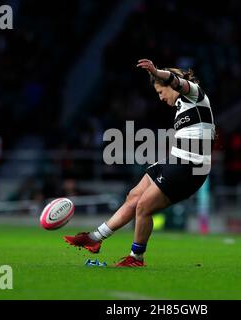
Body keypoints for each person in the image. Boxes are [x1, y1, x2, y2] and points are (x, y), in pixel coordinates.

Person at [63, 59, 216, 266]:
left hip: (190, 167)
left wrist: (155, 71)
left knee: (144, 206)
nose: (160, 98)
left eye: (161, 92)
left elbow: (177, 82)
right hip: (175, 160)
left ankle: (136, 258)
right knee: (133, 196)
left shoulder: (195, 95)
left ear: (170, 86)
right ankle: (94, 239)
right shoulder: (183, 106)